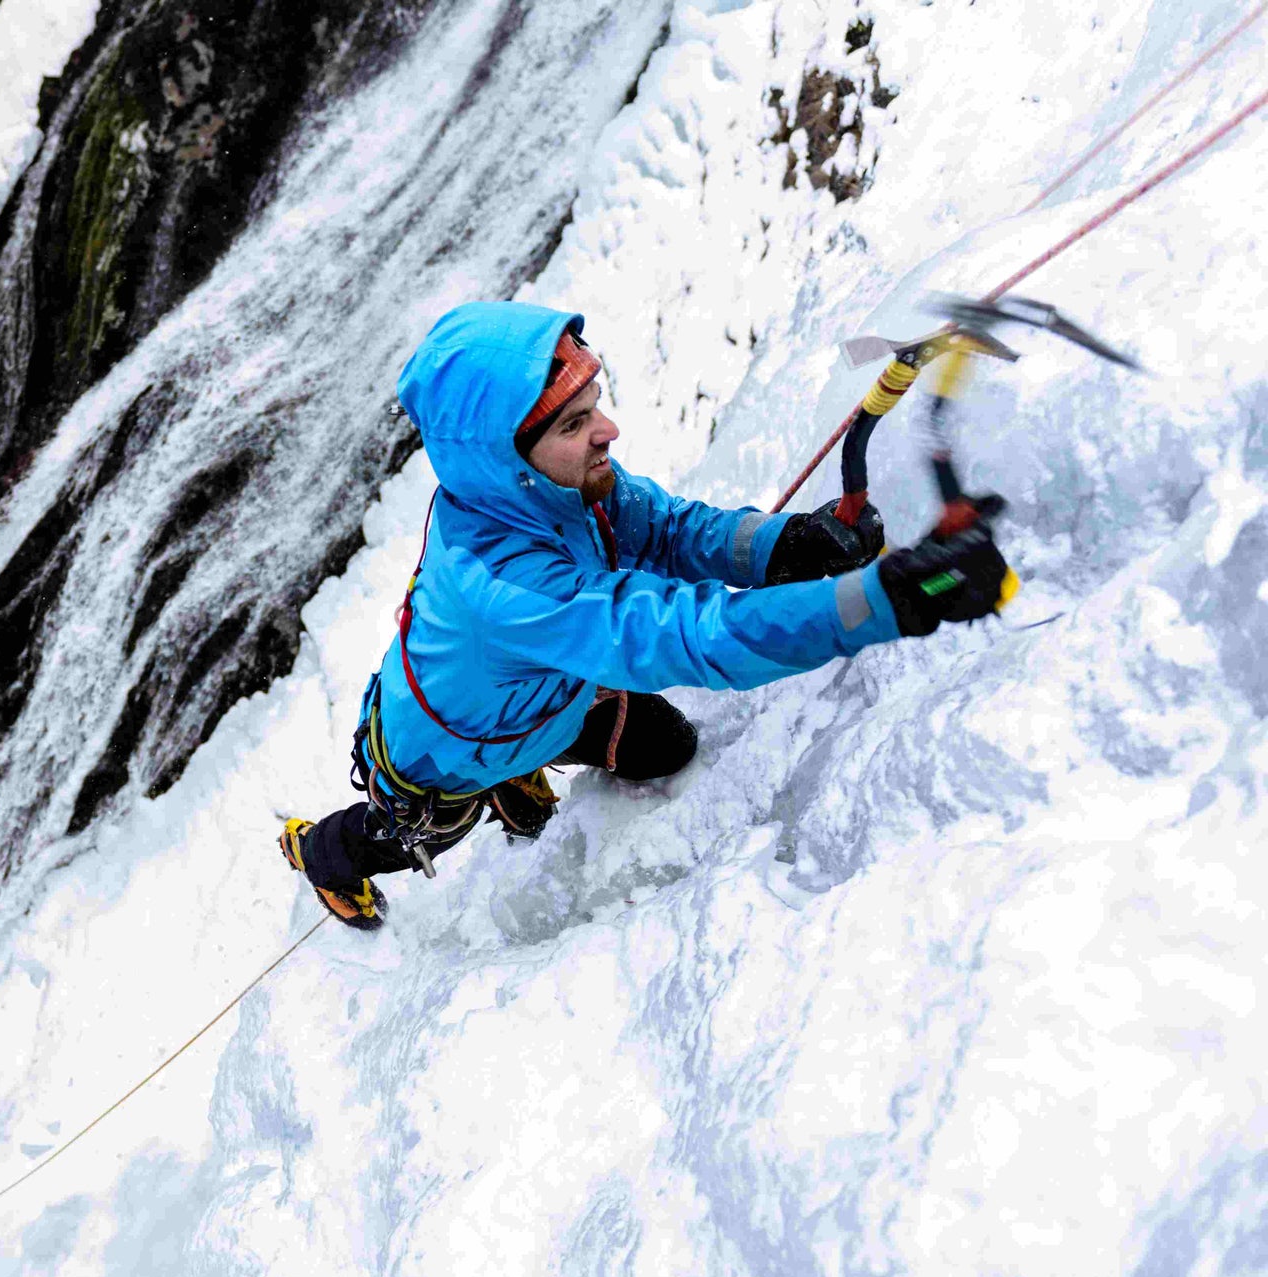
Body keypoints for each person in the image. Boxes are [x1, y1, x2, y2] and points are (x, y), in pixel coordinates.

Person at [279, 301, 1012, 928]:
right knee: (412, 835)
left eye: (593, 405)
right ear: (510, 457)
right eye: (575, 423)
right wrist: (888, 599)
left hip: (543, 693)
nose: (608, 432)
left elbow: (663, 530)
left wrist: (783, 545)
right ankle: (319, 855)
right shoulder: (504, 587)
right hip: (442, 756)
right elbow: (692, 635)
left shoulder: (556, 484)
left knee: (665, 747)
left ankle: (517, 775)